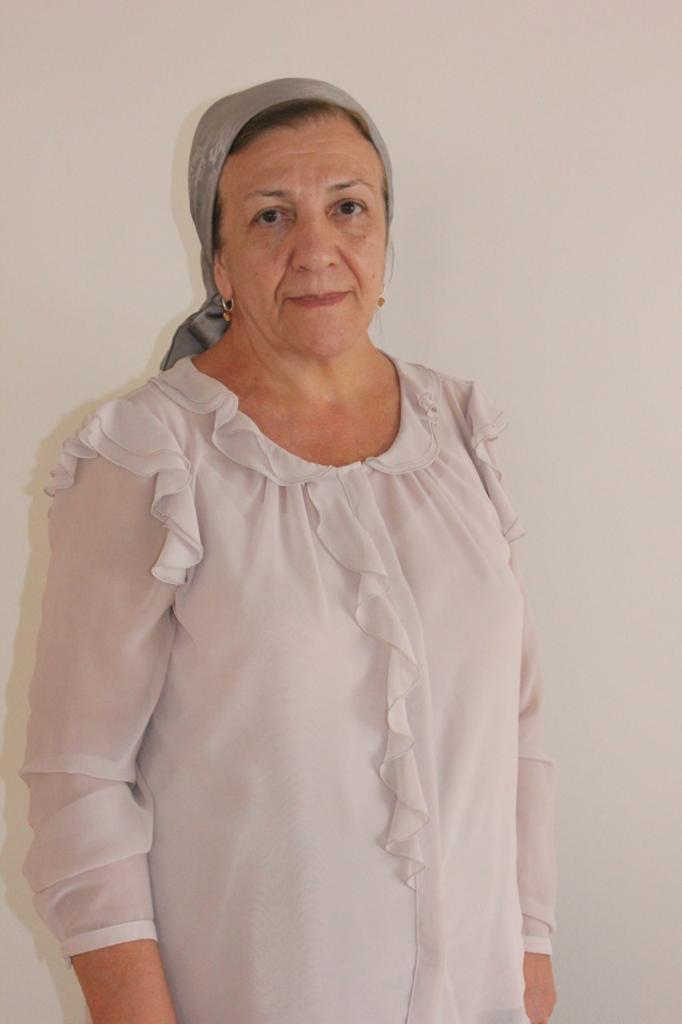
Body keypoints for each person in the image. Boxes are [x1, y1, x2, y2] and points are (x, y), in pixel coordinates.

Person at [18, 77, 558, 1024]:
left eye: (348, 208)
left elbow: (515, 725)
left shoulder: (460, 431)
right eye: (270, 216)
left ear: (385, 237)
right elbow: (80, 780)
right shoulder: (149, 457)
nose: (316, 250)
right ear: (219, 261)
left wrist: (531, 954)